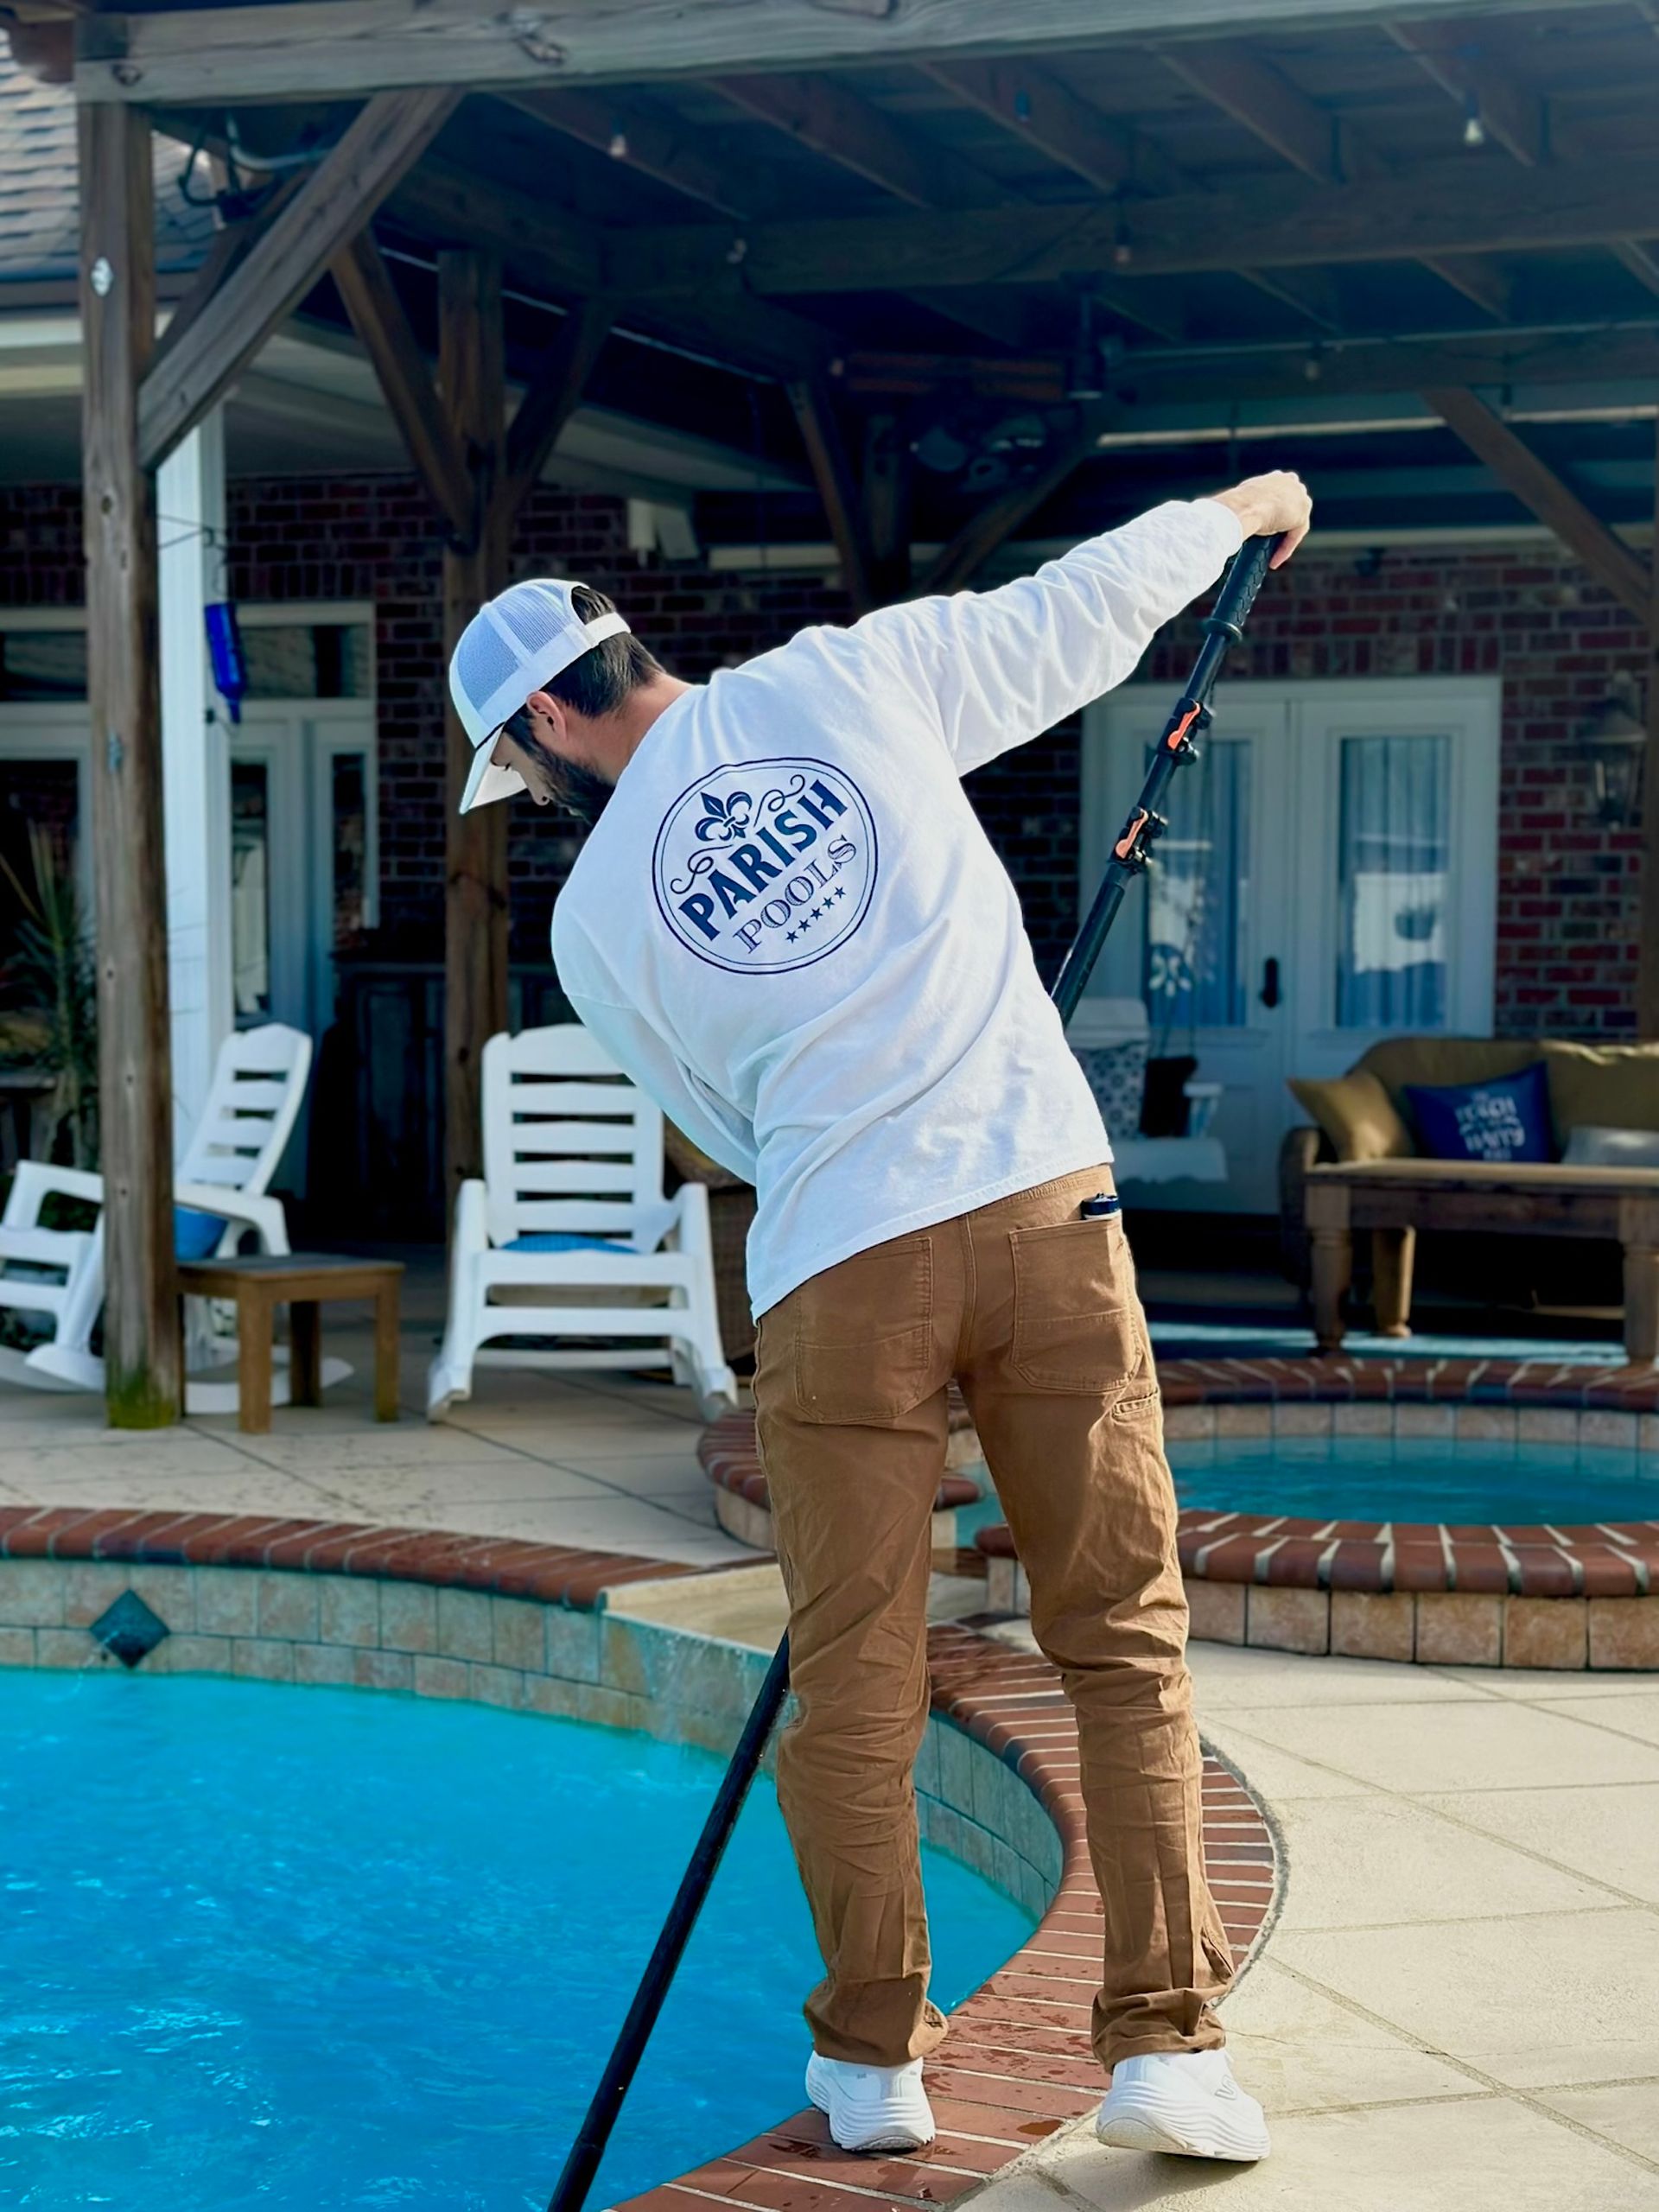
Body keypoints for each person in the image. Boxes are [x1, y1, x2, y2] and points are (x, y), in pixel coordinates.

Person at [448, 473, 1311, 2167]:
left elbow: (723, 1122)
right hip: (1044, 1209)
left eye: (521, 767)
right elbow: (1079, 613)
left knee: (855, 1670)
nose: (533, 796)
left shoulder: (588, 922)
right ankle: (1164, 2050)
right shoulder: (849, 674)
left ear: (553, 711)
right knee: (1120, 1633)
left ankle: (870, 2063)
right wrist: (1237, 507)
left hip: (842, 1267)